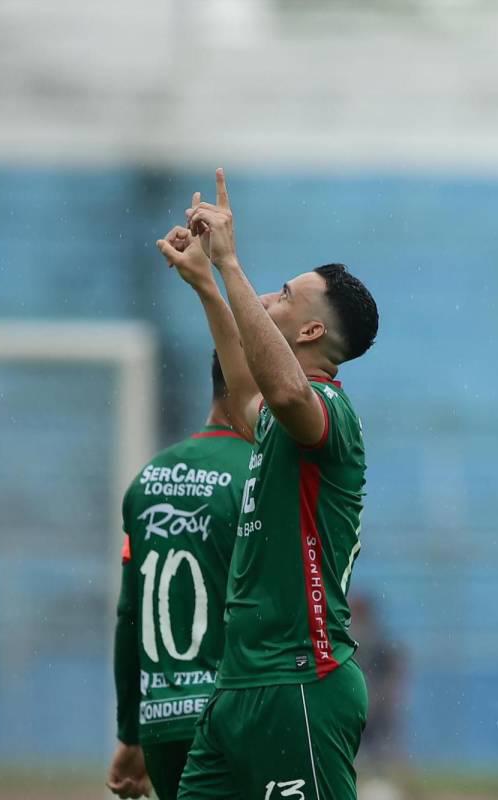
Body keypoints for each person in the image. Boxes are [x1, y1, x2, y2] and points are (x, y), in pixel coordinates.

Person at [157, 169, 379, 800]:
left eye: (284, 295)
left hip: (301, 681)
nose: (271, 300)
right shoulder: (280, 423)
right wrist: (205, 283)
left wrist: (230, 263)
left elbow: (282, 389)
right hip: (240, 687)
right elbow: (252, 390)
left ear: (311, 333)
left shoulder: (330, 413)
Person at [108, 352, 255, 800]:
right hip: (235, 717)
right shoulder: (260, 473)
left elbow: (129, 615)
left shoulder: (147, 479)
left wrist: (130, 732)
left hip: (161, 722)